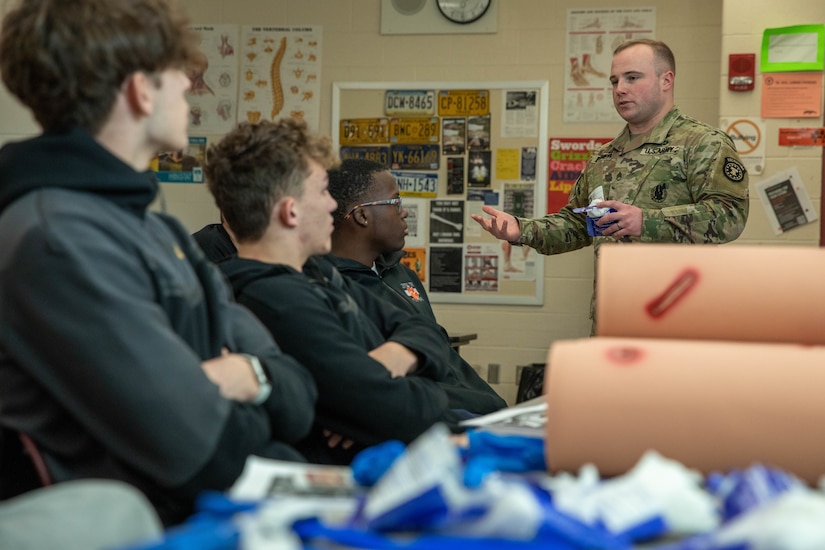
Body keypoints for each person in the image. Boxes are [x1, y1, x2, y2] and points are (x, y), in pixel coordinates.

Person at [0, 0, 317, 527]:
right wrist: (247, 389)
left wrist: (253, 374)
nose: (191, 86)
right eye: (180, 73)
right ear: (141, 90)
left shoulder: (156, 229)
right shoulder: (58, 238)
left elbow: (298, 394)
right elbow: (205, 450)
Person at [205, 118, 475, 465]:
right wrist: (414, 381)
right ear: (291, 211)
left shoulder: (319, 272)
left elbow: (428, 333)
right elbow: (399, 411)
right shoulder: (276, 300)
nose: (333, 206)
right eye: (322, 192)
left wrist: (390, 361)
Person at [472, 38, 749, 330]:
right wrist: (521, 229)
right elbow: (578, 224)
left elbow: (730, 215)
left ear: (666, 80)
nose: (620, 89)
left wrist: (646, 221)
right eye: (615, 81)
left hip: (679, 320)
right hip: (613, 316)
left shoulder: (702, 143)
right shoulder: (604, 157)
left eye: (632, 78)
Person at [325, 159, 506, 413]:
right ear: (362, 215)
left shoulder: (401, 274)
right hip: (438, 418)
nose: (404, 211)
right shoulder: (331, 289)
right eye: (395, 202)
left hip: (484, 405)